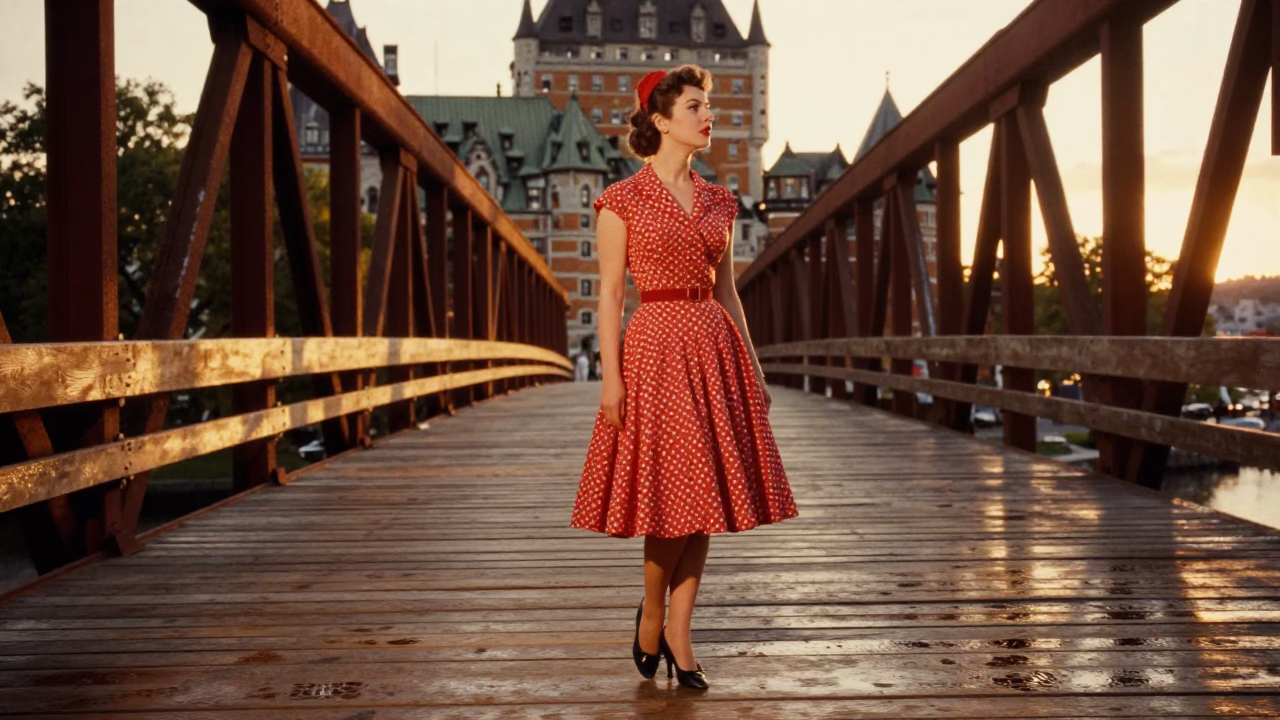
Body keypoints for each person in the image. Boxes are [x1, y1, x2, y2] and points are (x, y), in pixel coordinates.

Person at [568, 65, 798, 690]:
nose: (708, 115)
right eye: (695, 106)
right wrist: (610, 380)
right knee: (670, 503)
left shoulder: (722, 200)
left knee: (705, 500)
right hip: (654, 349)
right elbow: (609, 296)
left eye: (708, 105)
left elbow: (728, 292)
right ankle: (652, 612)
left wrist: (754, 368)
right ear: (661, 120)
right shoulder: (621, 199)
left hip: (713, 347)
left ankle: (679, 629)